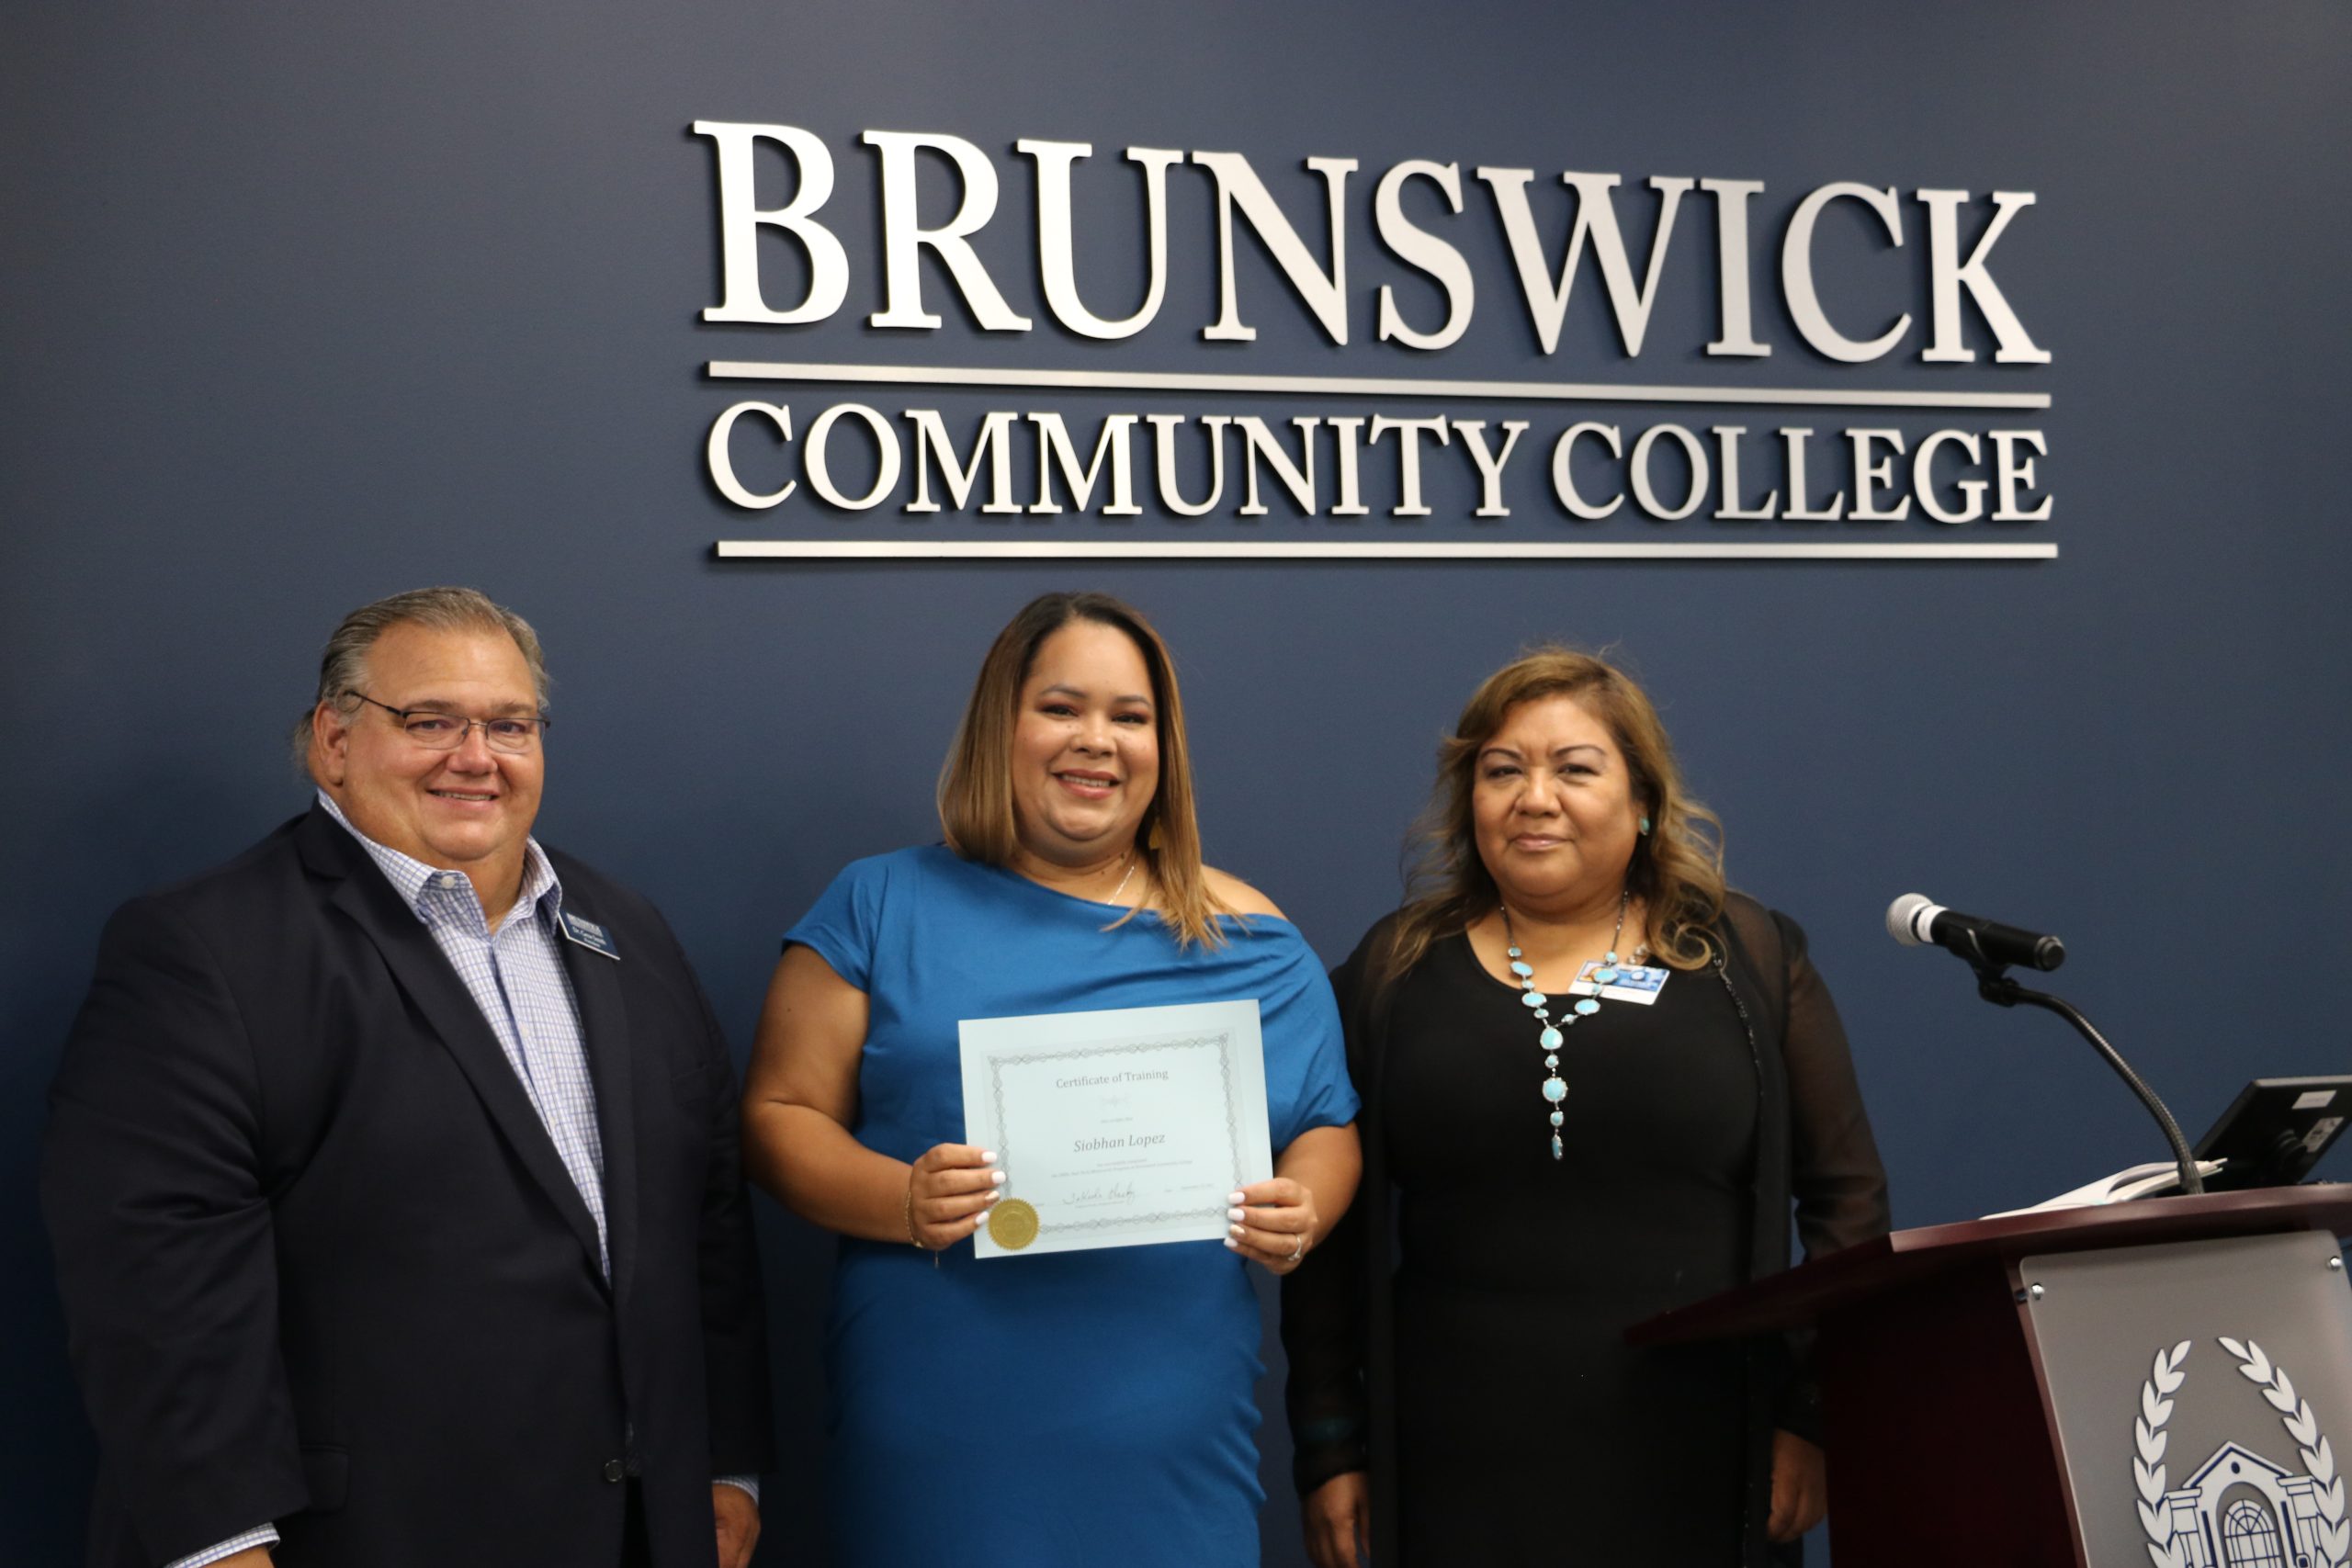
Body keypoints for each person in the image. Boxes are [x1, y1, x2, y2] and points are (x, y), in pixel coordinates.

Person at [40, 588, 774, 1568]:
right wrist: (221, 1544)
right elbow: (154, 1283)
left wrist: (724, 1467)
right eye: (430, 721)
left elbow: (706, 1222)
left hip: (641, 1529)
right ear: (331, 741)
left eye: (509, 725)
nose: (475, 757)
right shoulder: (205, 948)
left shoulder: (622, 930)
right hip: (364, 1537)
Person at [742, 590, 1362, 1568]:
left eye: (1130, 717)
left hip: (1172, 1449)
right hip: (940, 1441)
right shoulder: (877, 903)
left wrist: (1305, 1210)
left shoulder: (1249, 936)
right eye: (1062, 709)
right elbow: (779, 1118)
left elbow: (1326, 1125)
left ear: (1165, 745)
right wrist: (900, 1196)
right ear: (1003, 722)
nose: (1097, 742)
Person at [1281, 648, 1889, 1568]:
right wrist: (1329, 1445)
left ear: (1643, 802)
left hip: (1705, 1450)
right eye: (1501, 771)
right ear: (1467, 803)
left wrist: (1808, 1416)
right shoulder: (1390, 971)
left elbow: (1847, 1198)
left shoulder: (1747, 959)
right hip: (1455, 1465)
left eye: (1574, 768)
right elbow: (1325, 1228)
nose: (1533, 797)